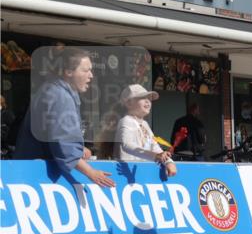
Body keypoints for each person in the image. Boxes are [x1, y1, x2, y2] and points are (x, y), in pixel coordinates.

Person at [13, 48, 114, 187]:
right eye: (85, 70)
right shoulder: (60, 96)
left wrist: (78, 149)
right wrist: (91, 172)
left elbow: (54, 137)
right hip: (37, 178)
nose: (91, 76)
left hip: (29, 173)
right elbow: (65, 146)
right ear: (68, 72)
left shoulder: (52, 90)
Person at [115, 85, 177, 177]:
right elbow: (127, 145)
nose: (148, 101)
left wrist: (168, 161)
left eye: (148, 98)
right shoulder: (126, 120)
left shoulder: (144, 124)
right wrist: (155, 156)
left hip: (141, 172)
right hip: (125, 174)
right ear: (128, 103)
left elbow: (154, 146)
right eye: (142, 98)